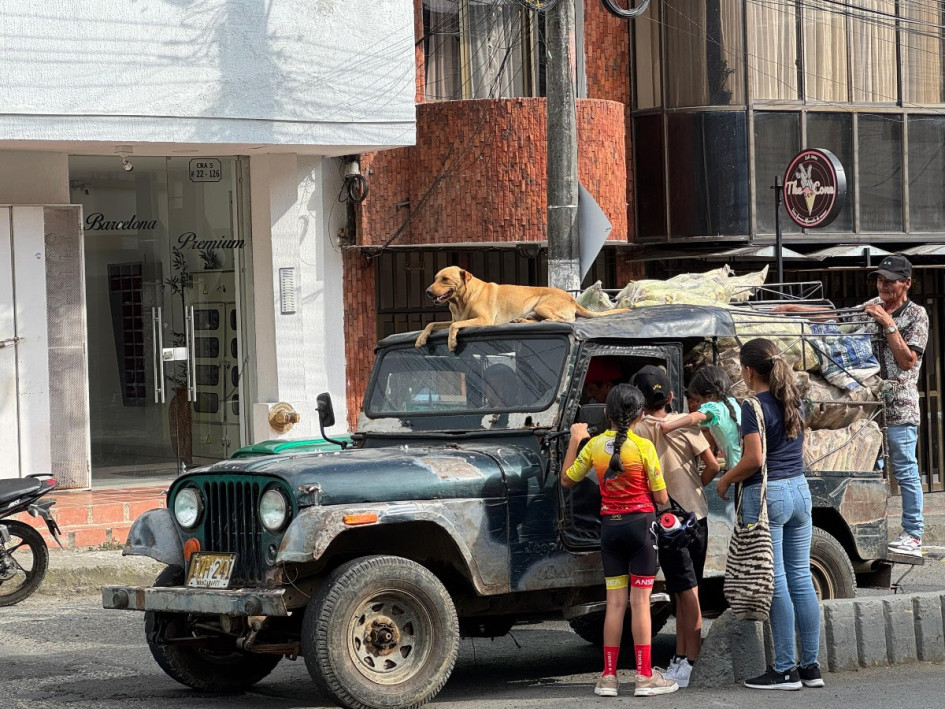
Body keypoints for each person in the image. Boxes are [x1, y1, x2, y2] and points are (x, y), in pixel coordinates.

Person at [775, 253, 928, 556]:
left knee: (905, 468)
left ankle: (913, 533)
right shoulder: (871, 306)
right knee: (870, 468)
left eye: (890, 281)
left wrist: (888, 325)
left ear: (906, 283)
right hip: (866, 405)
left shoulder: (916, 315)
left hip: (900, 406)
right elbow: (836, 319)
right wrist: (791, 309)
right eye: (880, 280)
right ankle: (872, 527)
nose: (883, 285)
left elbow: (907, 361)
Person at [716, 338, 822, 690]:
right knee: (801, 578)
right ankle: (810, 668)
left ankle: (784, 670)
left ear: (748, 371)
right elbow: (799, 448)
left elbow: (755, 460)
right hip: (800, 492)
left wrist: (725, 480)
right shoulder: (795, 400)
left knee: (774, 580)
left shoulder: (753, 406)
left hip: (769, 496)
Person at [561, 384, 678, 698]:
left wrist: (574, 440)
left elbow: (567, 479)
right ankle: (644, 676)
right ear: (640, 415)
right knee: (640, 603)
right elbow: (662, 496)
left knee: (614, 604)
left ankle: (608, 677)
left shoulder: (595, 446)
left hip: (609, 530)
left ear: (605, 413)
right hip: (641, 528)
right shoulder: (642, 447)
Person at [630, 365, 719, 688]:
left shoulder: (637, 430)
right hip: (698, 515)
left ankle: (688, 661)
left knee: (684, 591)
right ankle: (682, 656)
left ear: (639, 402)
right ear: (670, 396)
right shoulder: (686, 423)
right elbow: (711, 464)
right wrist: (697, 486)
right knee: (687, 588)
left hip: (667, 519)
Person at [660, 365, 742, 475]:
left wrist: (669, 426)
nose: (698, 405)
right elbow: (702, 426)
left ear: (710, 396)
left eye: (698, 400)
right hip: (743, 462)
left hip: (737, 467)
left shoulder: (714, 407)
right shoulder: (733, 403)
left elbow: (694, 417)